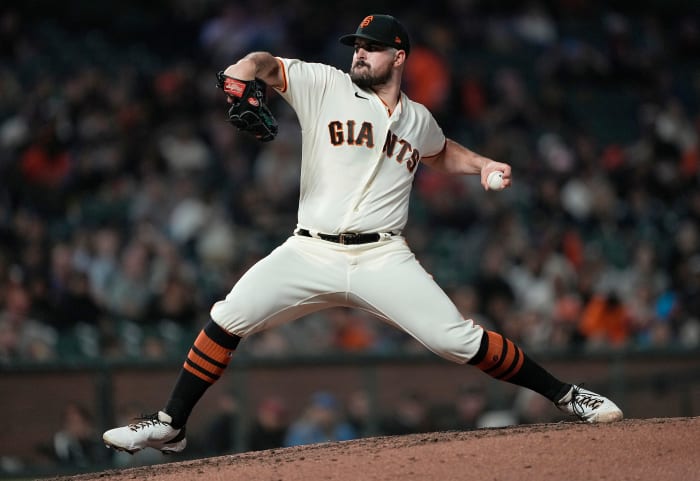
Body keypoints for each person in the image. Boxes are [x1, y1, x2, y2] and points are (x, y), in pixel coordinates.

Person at [102, 13, 623, 455]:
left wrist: (484, 164)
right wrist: (241, 71)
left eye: (372, 48)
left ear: (399, 57)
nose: (360, 54)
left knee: (456, 339)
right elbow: (266, 63)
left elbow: (441, 152)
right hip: (309, 249)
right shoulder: (326, 85)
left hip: (382, 257)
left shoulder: (418, 119)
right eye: (357, 46)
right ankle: (172, 425)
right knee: (226, 317)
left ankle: (565, 394)